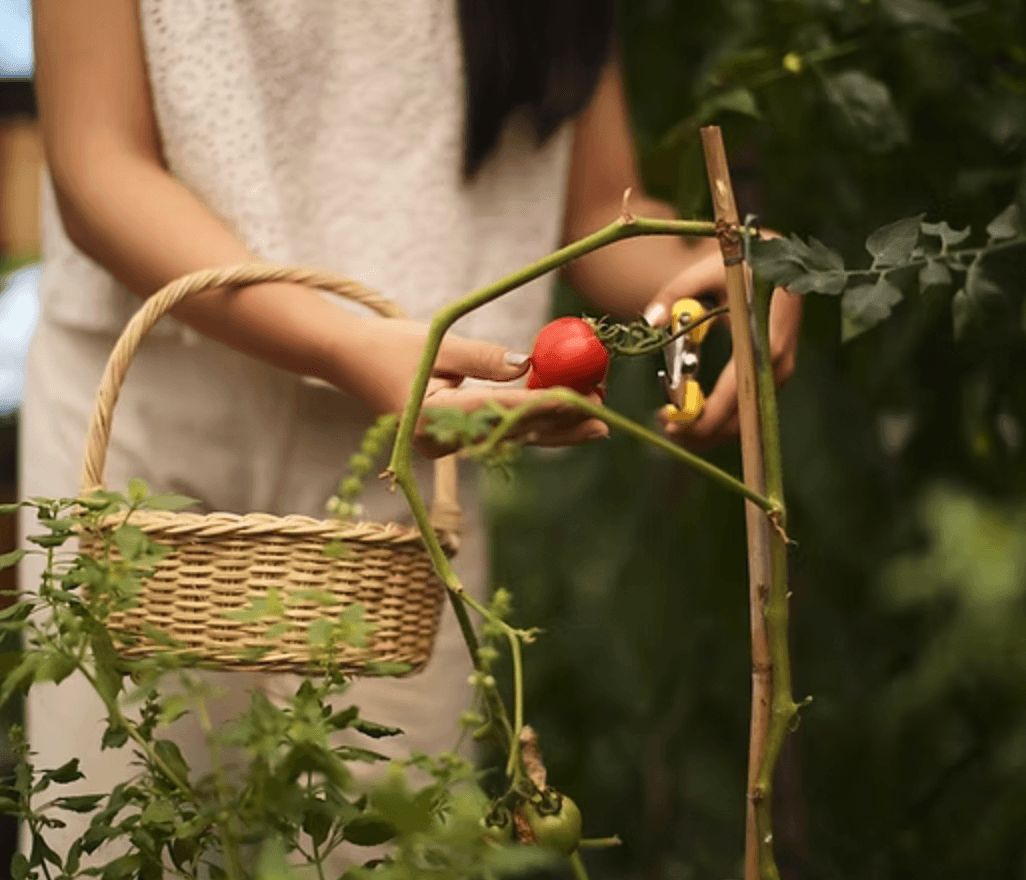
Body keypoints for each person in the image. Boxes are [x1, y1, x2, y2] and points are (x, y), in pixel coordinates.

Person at [21, 0, 802, 867]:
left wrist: (723, 264)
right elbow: (96, 164)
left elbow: (592, 208)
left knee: (387, 847)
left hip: (413, 450)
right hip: (151, 407)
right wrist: (342, 343)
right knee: (127, 837)